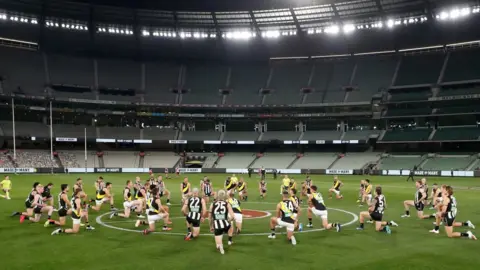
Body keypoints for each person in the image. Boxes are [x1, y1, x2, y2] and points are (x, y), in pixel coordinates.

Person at [209, 190, 235, 255]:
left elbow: (210, 217)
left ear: (217, 196)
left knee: (218, 241)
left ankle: (220, 246)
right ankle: (229, 240)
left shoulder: (213, 204)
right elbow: (232, 216)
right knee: (231, 226)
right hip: (225, 224)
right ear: (224, 196)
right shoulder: (227, 204)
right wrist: (228, 220)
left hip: (217, 225)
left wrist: (211, 226)